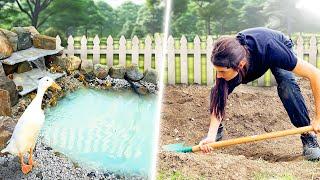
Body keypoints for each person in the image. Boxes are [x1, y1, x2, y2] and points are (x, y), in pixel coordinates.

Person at [199, 27, 320, 161]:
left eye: (222, 72)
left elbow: (315, 74)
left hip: (276, 46)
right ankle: (217, 131)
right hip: (250, 58)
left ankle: (307, 135)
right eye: (217, 71)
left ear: (241, 65)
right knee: (216, 89)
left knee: (287, 85)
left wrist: (319, 118)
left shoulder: (273, 49)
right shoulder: (228, 58)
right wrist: (211, 136)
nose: (219, 75)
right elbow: (219, 97)